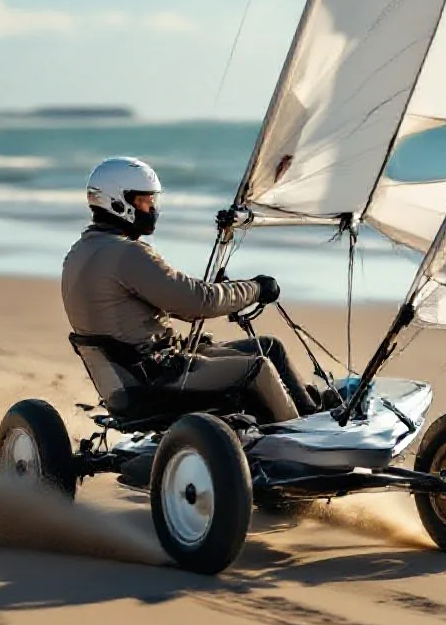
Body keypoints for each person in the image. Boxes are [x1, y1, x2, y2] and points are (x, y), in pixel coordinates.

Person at [61, 155, 327, 427]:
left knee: (271, 347)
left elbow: (171, 299)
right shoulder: (128, 254)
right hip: (158, 378)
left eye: (153, 201)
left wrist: (220, 291)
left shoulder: (80, 252)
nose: (151, 209)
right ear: (118, 203)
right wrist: (256, 288)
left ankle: (311, 413)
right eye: (144, 201)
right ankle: (302, 438)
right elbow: (198, 302)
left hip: (131, 376)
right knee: (258, 368)